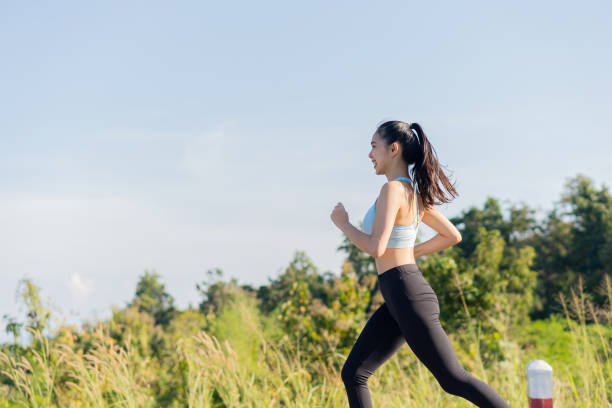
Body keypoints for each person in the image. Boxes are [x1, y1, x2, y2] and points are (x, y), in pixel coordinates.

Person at [330, 121, 511, 408]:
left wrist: (344, 224)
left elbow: (376, 247)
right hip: (399, 294)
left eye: (373, 146)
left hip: (407, 293)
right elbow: (452, 235)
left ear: (394, 148)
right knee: (354, 373)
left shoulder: (391, 191)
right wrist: (409, 252)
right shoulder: (412, 194)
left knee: (453, 379)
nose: (369, 154)